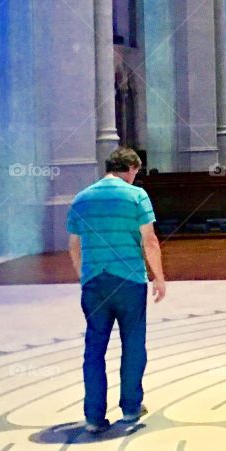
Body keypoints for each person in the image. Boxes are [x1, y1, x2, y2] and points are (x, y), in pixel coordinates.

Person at [67, 147, 165, 434]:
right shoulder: (136, 196)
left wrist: (83, 276)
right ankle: (131, 407)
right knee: (133, 344)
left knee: (94, 349)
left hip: (94, 282)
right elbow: (150, 241)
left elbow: (73, 244)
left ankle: (94, 416)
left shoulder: (81, 198)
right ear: (132, 168)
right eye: (137, 171)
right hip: (129, 280)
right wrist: (158, 277)